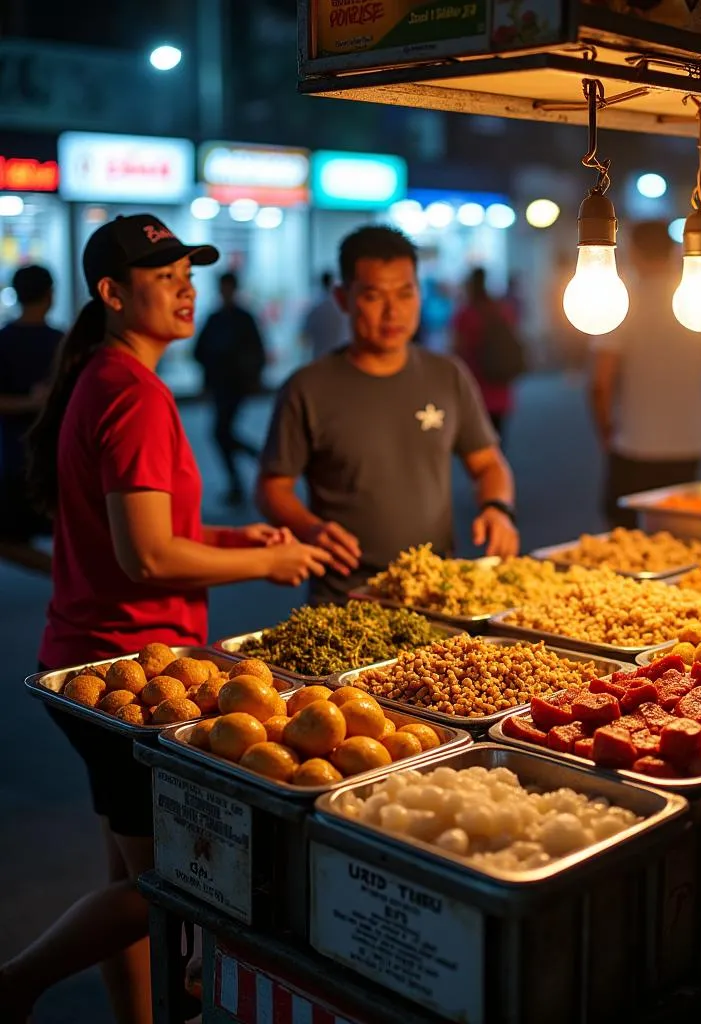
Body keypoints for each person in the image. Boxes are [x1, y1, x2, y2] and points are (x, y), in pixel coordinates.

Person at [0, 214, 329, 1024]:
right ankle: (16, 984)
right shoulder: (133, 394)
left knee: (128, 874)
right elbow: (148, 559)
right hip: (127, 672)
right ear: (113, 294)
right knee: (175, 884)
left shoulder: (106, 377)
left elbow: (143, 535)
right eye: (164, 274)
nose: (186, 285)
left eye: (190, 270)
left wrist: (230, 537)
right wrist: (267, 562)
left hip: (88, 662)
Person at [257, 225, 519, 604]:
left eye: (405, 293)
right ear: (343, 298)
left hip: (437, 593)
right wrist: (310, 528)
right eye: (373, 296)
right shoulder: (307, 388)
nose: (393, 311)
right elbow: (272, 488)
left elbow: (488, 463)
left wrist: (497, 509)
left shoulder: (447, 375)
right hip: (345, 599)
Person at [589, 220, 701, 528]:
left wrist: (605, 432)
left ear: (633, 251)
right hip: (689, 445)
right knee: (680, 536)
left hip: (633, 444)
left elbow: (600, 383)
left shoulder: (618, 303)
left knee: (625, 541)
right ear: (673, 252)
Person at [0, 265, 62, 542]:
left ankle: (58, 576)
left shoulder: (4, 340)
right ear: (50, 294)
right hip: (57, 455)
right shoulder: (62, 342)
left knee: (12, 536)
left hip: (15, 454)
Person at [194, 272, 266, 506]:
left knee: (221, 432)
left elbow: (257, 351)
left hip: (236, 384)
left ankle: (241, 479)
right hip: (220, 383)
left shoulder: (242, 318)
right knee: (222, 433)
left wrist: (252, 377)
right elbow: (201, 351)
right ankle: (250, 465)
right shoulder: (216, 318)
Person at [452, 266, 521, 440]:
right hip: (500, 385)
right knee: (498, 438)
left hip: (476, 385)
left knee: (478, 440)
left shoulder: (466, 314)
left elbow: (457, 348)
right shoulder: (502, 309)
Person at [301, 270, 345, 361]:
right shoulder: (341, 307)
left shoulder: (316, 308)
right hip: (339, 359)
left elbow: (305, 336)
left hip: (320, 357)